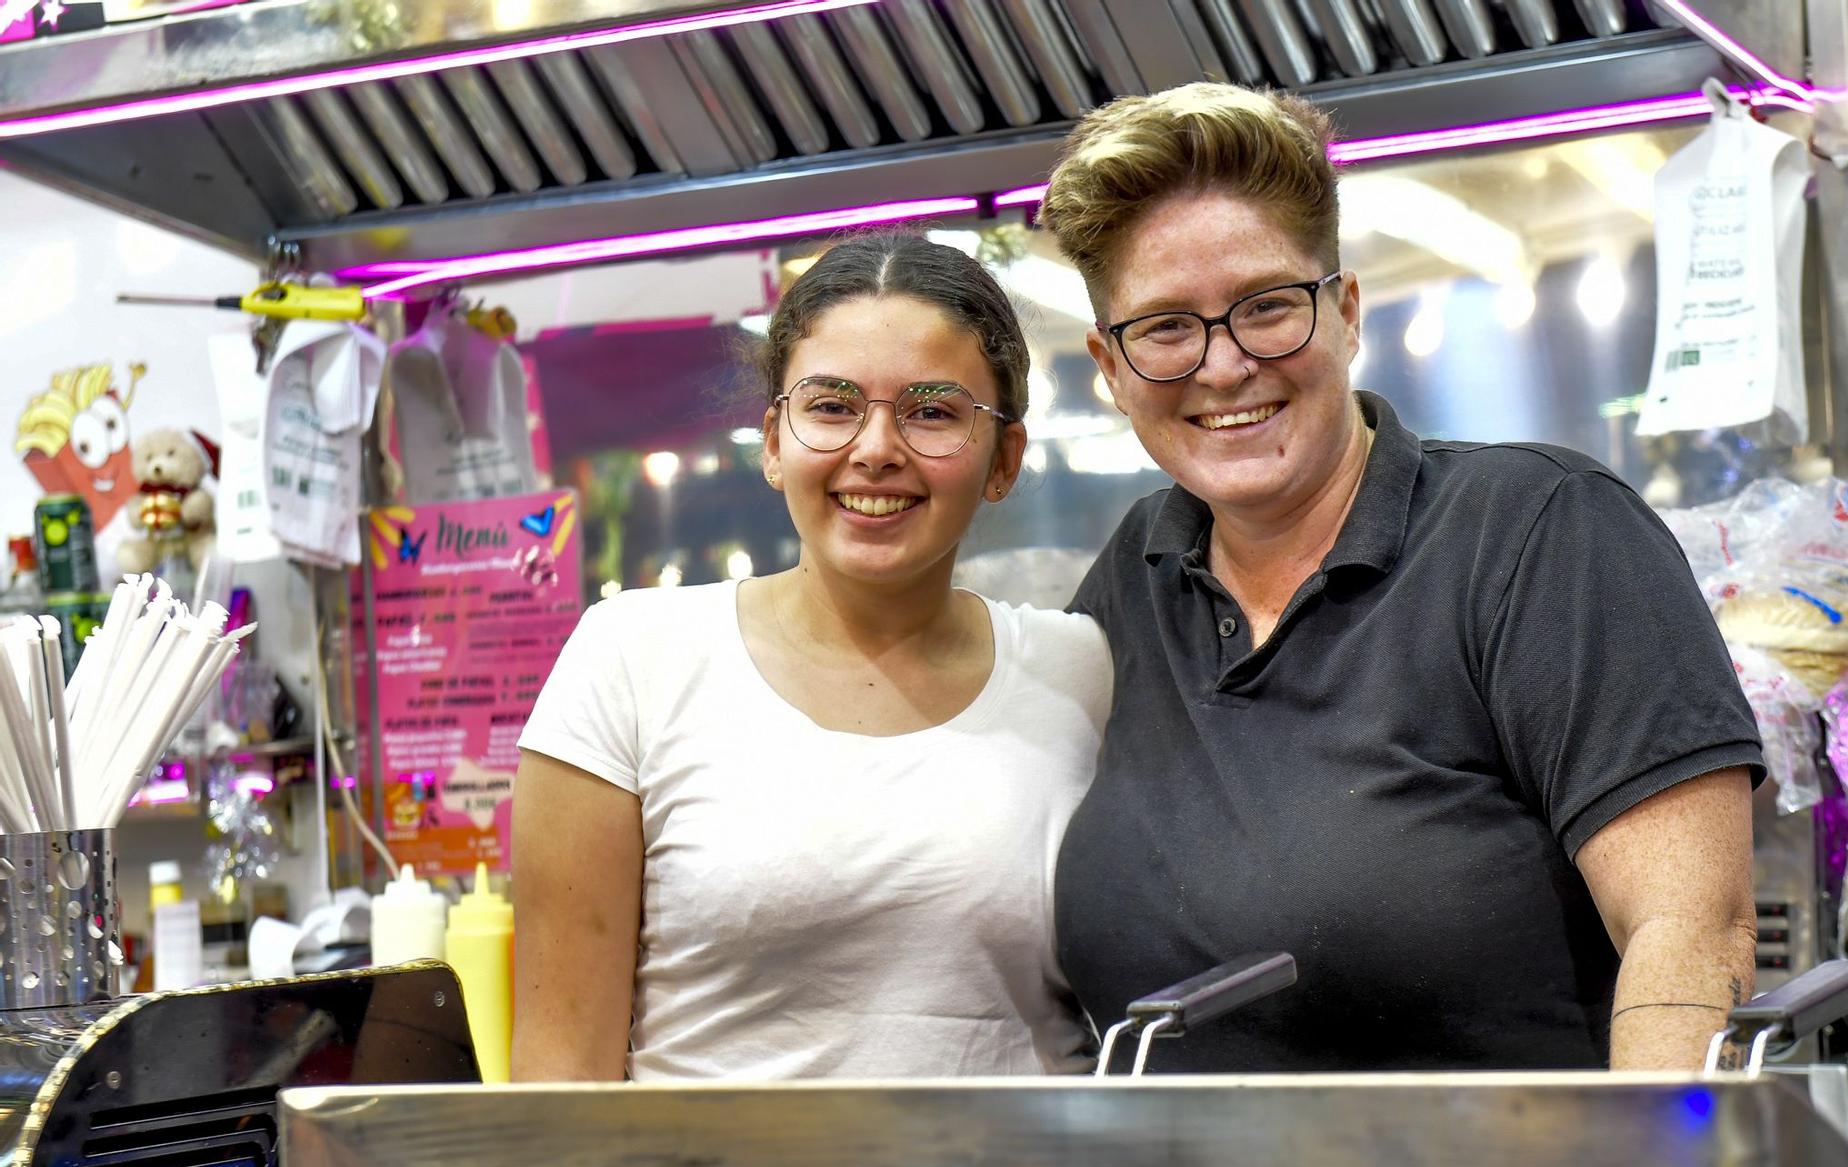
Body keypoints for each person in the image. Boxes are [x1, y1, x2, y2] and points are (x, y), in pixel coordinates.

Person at [1038, 83, 1765, 1073]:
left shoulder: (1537, 534)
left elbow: (1691, 932)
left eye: (1265, 307)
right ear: (1109, 366)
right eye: (1165, 327)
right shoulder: (1134, 577)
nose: (1223, 365)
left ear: (1341, 313)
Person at [510, 231, 1110, 1081]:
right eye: (831, 406)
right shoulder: (632, 662)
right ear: (773, 440)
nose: (875, 448)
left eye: (933, 410)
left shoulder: (1083, 672)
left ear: (1003, 458)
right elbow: (559, 1080)